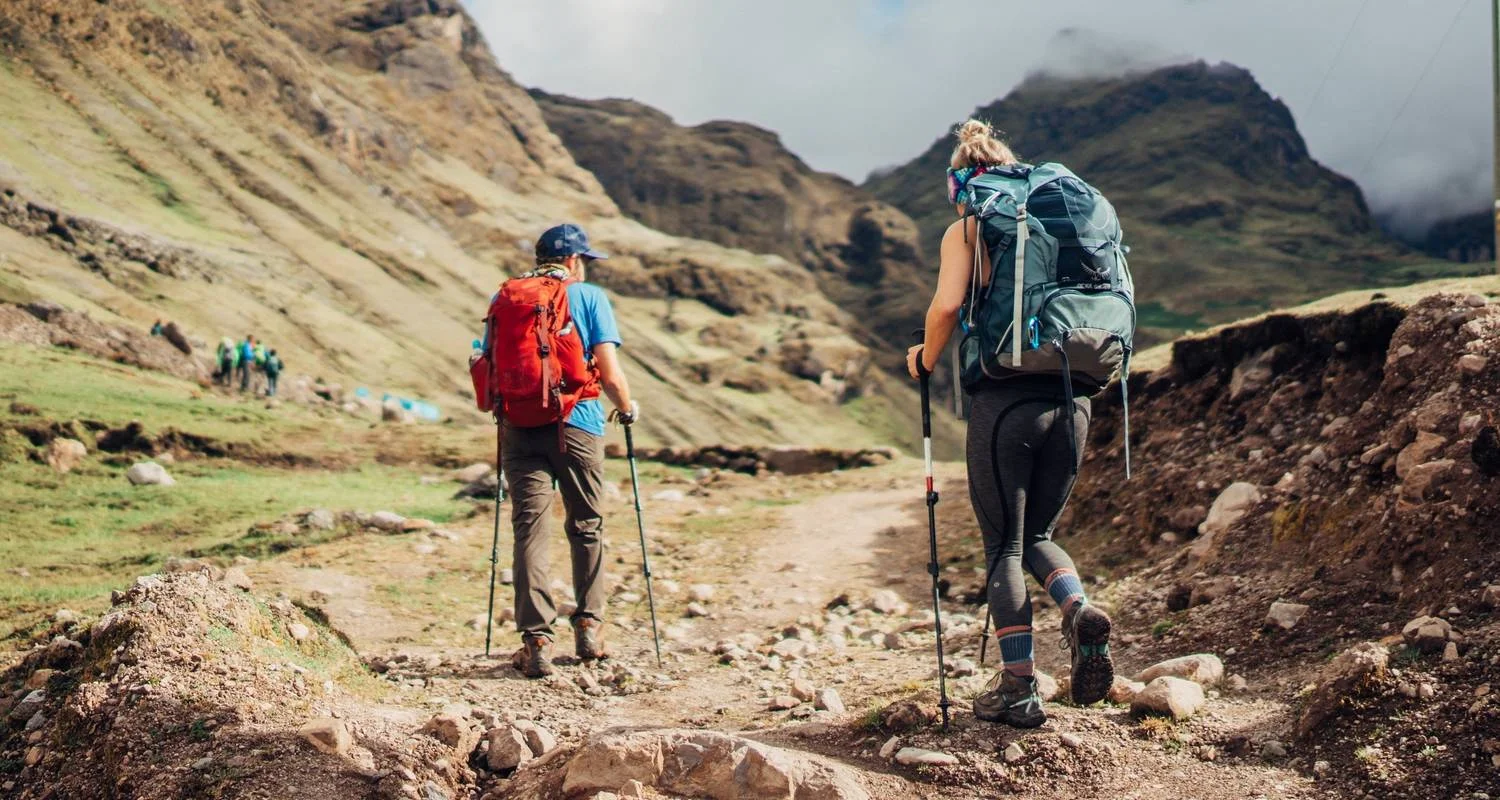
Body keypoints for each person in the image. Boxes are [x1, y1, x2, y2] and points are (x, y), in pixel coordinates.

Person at [906, 120, 1114, 728]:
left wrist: (925, 358)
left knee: (1004, 546)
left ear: (960, 181)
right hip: (1076, 397)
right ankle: (1077, 609)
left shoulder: (969, 225)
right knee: (1041, 533)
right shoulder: (1063, 218)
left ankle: (1019, 690)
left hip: (1006, 401)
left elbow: (947, 305)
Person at [484, 223, 638, 678]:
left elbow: (489, 360)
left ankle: (536, 641)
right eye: (586, 261)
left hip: (518, 425)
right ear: (574, 261)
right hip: (578, 424)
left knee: (529, 529)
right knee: (586, 525)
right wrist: (627, 408)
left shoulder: (504, 298)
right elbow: (608, 372)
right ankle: (589, 627)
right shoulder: (589, 299)